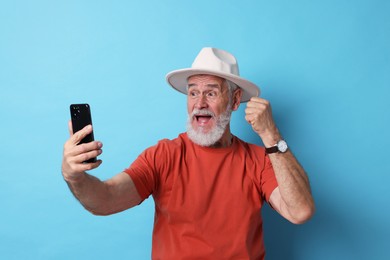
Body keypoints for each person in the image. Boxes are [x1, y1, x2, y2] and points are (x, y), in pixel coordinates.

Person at [62, 47, 315, 259]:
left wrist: (272, 136)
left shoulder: (259, 159)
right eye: (193, 92)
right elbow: (105, 199)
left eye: (211, 92)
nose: (199, 103)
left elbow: (300, 211)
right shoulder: (164, 155)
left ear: (236, 100)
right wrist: (74, 176)